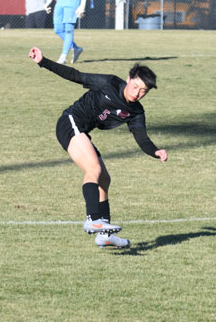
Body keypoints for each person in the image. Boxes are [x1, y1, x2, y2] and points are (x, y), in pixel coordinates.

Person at [28, 47, 168, 249]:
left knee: (104, 179)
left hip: (82, 131)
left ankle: (105, 235)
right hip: (70, 122)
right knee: (93, 169)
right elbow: (76, 76)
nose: (137, 93)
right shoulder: (109, 83)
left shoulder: (136, 112)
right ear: (128, 79)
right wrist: (43, 62)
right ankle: (93, 219)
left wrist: (155, 151)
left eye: (143, 91)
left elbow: (141, 137)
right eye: (135, 86)